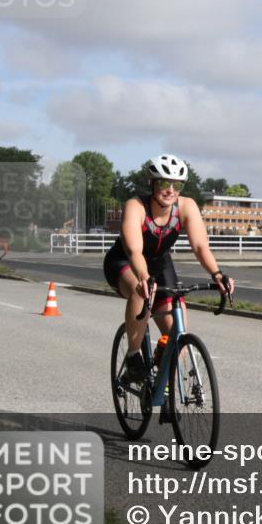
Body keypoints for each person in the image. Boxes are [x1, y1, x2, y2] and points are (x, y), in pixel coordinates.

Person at [103, 154, 235, 381]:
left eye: (177, 185)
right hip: (125, 262)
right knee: (139, 290)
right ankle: (134, 358)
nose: (170, 190)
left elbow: (201, 246)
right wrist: (144, 277)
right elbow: (134, 250)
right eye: (164, 183)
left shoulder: (187, 206)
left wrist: (217, 274)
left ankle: (165, 386)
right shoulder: (136, 206)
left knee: (178, 334)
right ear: (152, 183)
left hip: (160, 264)